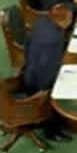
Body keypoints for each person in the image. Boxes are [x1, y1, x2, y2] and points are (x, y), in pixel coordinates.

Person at [21, 14, 70, 142]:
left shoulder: (41, 21)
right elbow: (47, 68)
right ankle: (51, 131)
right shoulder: (55, 39)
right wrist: (46, 88)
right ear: (64, 21)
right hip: (38, 81)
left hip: (29, 70)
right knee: (60, 89)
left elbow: (28, 45)